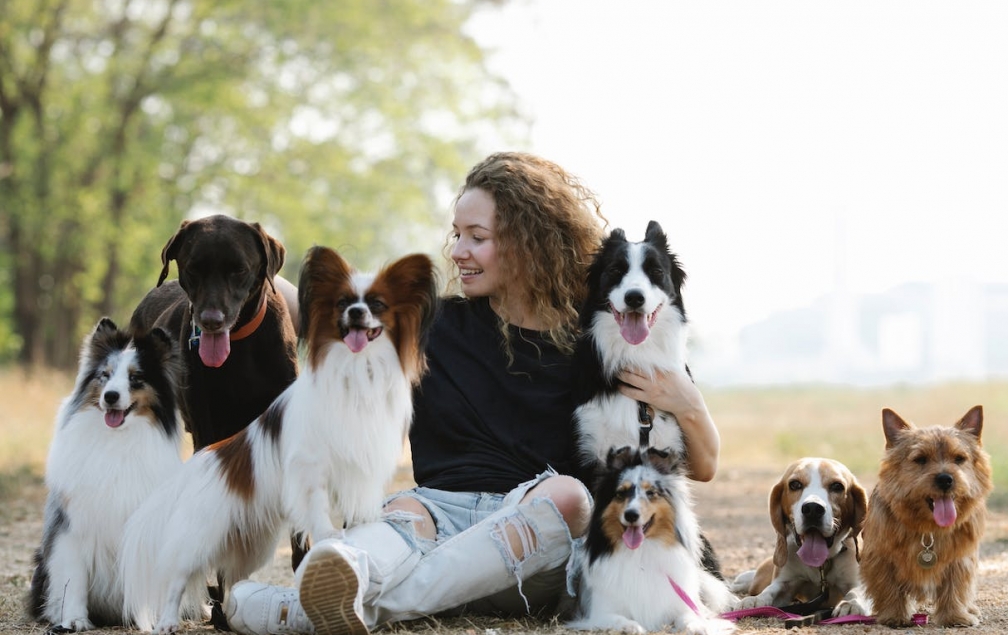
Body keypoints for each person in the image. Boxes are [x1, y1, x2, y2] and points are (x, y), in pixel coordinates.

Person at [224, 152, 722, 635]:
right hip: (438, 515)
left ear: (529, 244)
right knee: (400, 514)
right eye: (457, 235)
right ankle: (340, 583)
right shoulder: (434, 324)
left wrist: (689, 403)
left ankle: (307, 612)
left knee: (569, 497)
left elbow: (700, 466)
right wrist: (238, 272)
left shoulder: (597, 342)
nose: (458, 251)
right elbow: (326, 307)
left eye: (476, 237)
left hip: (532, 542)